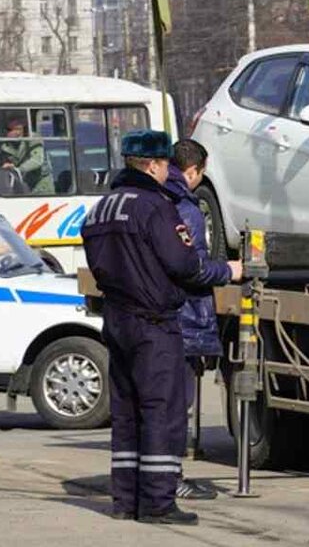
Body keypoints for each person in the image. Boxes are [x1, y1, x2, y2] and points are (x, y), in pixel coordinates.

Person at [82, 130, 241, 525]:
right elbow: (186, 265)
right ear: (152, 165)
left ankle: (125, 500)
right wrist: (229, 270)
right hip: (154, 323)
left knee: (126, 411)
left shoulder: (101, 208)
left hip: (116, 319)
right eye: (165, 163)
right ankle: (157, 502)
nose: (168, 170)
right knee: (161, 411)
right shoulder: (156, 206)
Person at [162, 139, 225, 501]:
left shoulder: (152, 198)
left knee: (157, 404)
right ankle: (171, 481)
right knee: (175, 405)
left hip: (159, 316)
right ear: (193, 170)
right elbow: (193, 268)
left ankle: (159, 478)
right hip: (184, 318)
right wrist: (227, 270)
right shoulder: (187, 209)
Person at [0, 117, 54, 194]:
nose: (7, 132)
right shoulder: (5, 145)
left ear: (20, 130)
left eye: (10, 130)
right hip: (23, 184)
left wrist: (18, 169)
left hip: (41, 185)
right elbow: (1, 160)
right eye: (7, 129)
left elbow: (37, 160)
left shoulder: (33, 138)